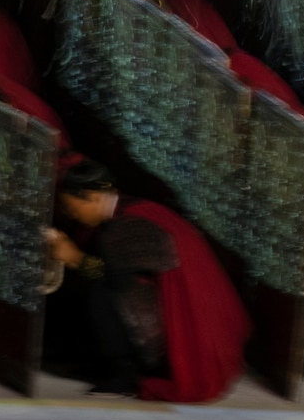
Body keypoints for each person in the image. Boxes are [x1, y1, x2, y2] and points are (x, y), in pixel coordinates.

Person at [46, 157, 248, 402]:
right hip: (153, 299)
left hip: (172, 323)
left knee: (101, 292)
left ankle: (126, 377)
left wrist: (73, 257)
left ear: (93, 197)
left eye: (73, 207)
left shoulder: (130, 222)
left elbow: (112, 275)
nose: (71, 215)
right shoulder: (121, 208)